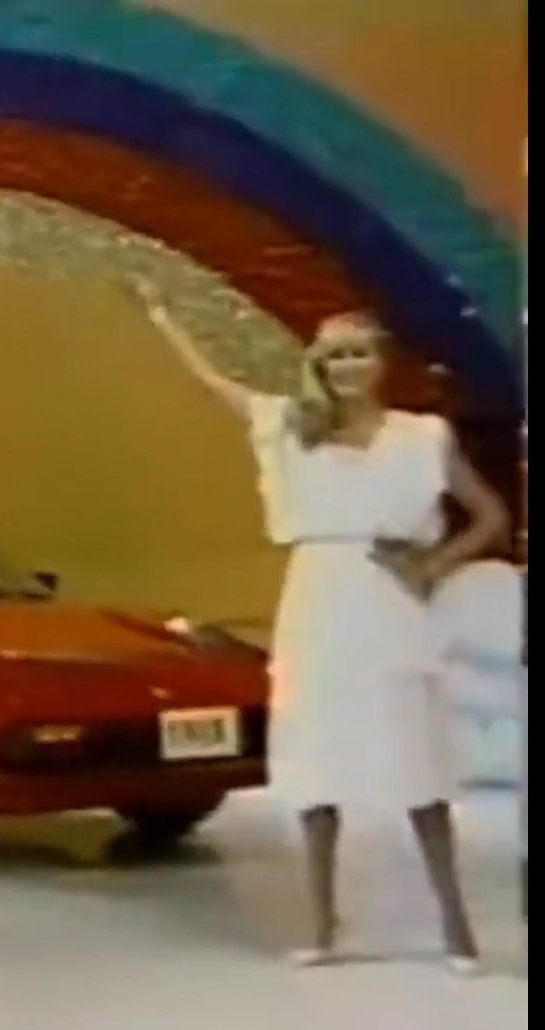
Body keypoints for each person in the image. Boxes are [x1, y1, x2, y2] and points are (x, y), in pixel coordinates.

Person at [128, 278, 510, 974]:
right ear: (318, 364)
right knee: (316, 767)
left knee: (416, 764)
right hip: (317, 600)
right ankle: (320, 925)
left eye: (358, 353)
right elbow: (213, 384)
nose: (345, 367)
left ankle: (456, 929)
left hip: (388, 601)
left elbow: (490, 515)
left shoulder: (421, 436)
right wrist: (160, 314)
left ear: (380, 360)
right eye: (333, 355)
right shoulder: (289, 426)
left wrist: (432, 563)